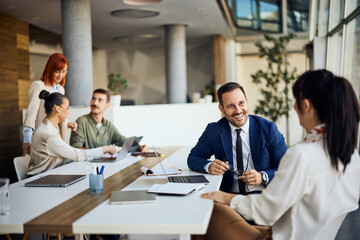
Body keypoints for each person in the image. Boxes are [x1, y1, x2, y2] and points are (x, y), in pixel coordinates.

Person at [200, 70, 360, 240]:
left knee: (208, 210)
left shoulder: (301, 155)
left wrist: (224, 197)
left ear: (305, 105)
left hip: (278, 236)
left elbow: (265, 212)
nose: (294, 107)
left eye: (295, 101)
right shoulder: (351, 156)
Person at [187, 82, 287, 194]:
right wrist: (209, 166)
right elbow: (193, 158)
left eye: (241, 103)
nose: (238, 110)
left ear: (247, 102)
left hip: (262, 197)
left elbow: (287, 168)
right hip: (228, 198)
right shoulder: (213, 130)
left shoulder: (268, 129)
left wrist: (262, 176)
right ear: (221, 108)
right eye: (231, 106)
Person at [27, 90, 118, 176]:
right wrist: (104, 149)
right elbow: (77, 155)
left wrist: (67, 124)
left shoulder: (50, 127)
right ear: (58, 109)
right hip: (41, 179)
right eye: (67, 108)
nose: (68, 112)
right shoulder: (48, 135)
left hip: (51, 175)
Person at [22, 53, 77, 156]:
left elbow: (56, 114)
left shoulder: (61, 89)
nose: (60, 75)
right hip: (41, 140)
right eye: (57, 71)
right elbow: (31, 116)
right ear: (50, 69)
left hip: (57, 140)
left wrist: (68, 124)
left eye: (64, 71)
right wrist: (27, 140)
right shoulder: (38, 86)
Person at [70, 89, 149, 152]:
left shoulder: (108, 125)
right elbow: (76, 149)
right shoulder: (81, 121)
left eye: (100, 100)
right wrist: (101, 152)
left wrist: (140, 147)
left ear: (107, 105)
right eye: (93, 99)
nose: (95, 103)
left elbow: (123, 141)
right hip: (84, 166)